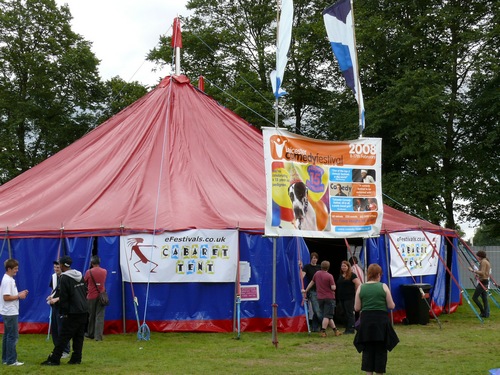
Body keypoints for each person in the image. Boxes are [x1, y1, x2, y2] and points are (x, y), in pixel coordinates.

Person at [42, 255, 88, 366]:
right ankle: (76, 358)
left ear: (62, 265)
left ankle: (55, 359)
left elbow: (64, 297)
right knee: (78, 336)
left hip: (72, 312)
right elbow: (85, 291)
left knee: (63, 336)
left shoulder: (64, 278)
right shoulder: (79, 275)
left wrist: (63, 313)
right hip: (84, 310)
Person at [354, 263, 399, 375]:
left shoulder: (361, 287)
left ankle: (369, 373)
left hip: (367, 322)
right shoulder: (383, 286)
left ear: (368, 274)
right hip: (380, 322)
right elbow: (391, 306)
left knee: (368, 350)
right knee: (380, 350)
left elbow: (357, 308)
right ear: (379, 274)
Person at [302, 260, 342, 337]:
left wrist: (306, 290)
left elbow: (311, 282)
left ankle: (336, 330)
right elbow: (333, 287)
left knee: (327, 315)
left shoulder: (317, 274)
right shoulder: (330, 276)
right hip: (329, 298)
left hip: (320, 298)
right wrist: (334, 287)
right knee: (327, 316)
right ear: (328, 267)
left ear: (321, 266)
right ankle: (323, 331)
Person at [1, 259, 28, 366]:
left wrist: (19, 293)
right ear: (9, 269)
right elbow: (6, 297)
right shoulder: (8, 280)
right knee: (13, 336)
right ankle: (11, 360)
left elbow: (8, 295)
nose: (17, 271)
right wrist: (19, 296)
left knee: (7, 336)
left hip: (8, 311)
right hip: (10, 312)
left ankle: (6, 359)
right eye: (15, 269)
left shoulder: (8, 279)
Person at [47, 261, 71, 358]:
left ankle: (65, 350)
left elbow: (69, 294)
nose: (56, 269)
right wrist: (51, 297)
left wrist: (57, 299)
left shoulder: (66, 278)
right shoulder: (53, 277)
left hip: (63, 306)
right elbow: (53, 290)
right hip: (54, 306)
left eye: (58, 267)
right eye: (55, 267)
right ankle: (57, 349)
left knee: (63, 329)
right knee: (55, 329)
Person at [84, 255, 108, 341]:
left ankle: (90, 333)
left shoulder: (88, 272)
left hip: (91, 296)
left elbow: (84, 281)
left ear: (92, 263)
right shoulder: (104, 271)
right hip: (102, 296)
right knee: (100, 316)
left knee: (91, 315)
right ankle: (98, 336)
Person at [337, 261, 361, 334]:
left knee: (349, 313)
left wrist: (356, 292)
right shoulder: (341, 275)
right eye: (342, 266)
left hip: (349, 297)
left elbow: (358, 283)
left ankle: (351, 329)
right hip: (342, 297)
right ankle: (347, 328)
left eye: (345, 266)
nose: (343, 267)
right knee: (344, 313)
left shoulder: (352, 275)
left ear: (348, 267)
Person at [301, 252, 322, 331]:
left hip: (320, 290)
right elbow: (301, 276)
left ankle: (315, 327)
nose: (315, 259)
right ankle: (324, 324)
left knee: (317, 309)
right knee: (316, 310)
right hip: (312, 290)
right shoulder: (307, 267)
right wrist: (300, 267)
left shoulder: (320, 267)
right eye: (313, 258)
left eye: (316, 258)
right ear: (311, 259)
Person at [469, 250, 491, 318]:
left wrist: (473, 270)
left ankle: (483, 312)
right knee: (484, 298)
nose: (477, 257)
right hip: (485, 280)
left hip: (483, 282)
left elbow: (482, 272)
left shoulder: (483, 262)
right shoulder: (485, 261)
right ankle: (486, 314)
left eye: (478, 256)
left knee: (474, 298)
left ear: (480, 256)